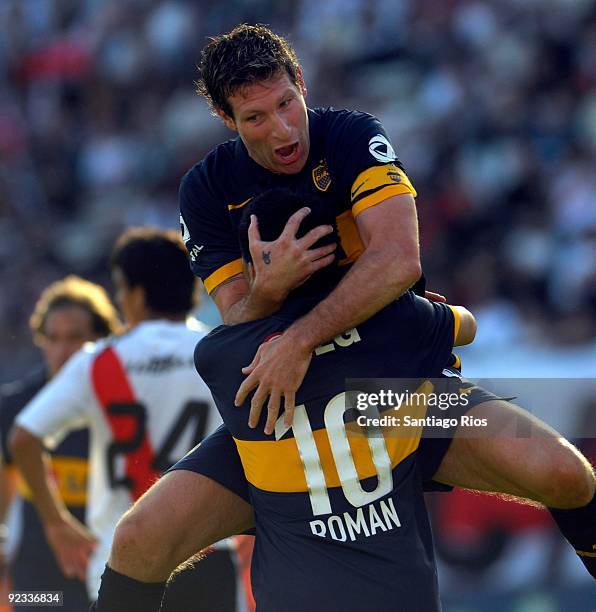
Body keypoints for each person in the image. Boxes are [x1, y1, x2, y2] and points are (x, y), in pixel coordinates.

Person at [93, 24, 595, 610]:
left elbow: (399, 260)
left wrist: (298, 337)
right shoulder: (205, 189)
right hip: (280, 416)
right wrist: (271, 290)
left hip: (395, 392)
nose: (282, 128)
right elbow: (236, 323)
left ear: (301, 83)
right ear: (230, 122)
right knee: (137, 541)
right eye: (256, 118)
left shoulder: (352, 135)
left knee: (568, 474)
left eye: (287, 103)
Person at [9, 228, 240, 610]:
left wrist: (56, 524)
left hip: (122, 562)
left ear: (134, 294)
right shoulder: (219, 350)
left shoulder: (100, 360)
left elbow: (23, 438)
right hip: (209, 554)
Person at [0, 275, 121, 612]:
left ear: (102, 338)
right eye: (52, 338)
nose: (62, 350)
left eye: (75, 338)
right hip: (36, 584)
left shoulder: (126, 408)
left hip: (110, 570)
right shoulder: (14, 408)